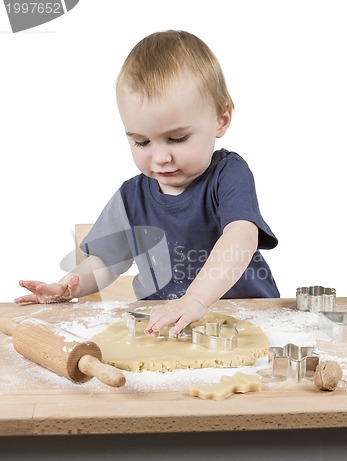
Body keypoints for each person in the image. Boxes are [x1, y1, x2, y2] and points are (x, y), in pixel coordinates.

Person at [15, 30, 279, 335]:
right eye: (142, 142)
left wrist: (195, 299)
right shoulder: (131, 197)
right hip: (166, 326)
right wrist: (69, 286)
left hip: (247, 320)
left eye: (176, 138)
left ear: (221, 119)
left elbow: (240, 238)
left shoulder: (228, 174)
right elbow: (104, 262)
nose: (160, 157)